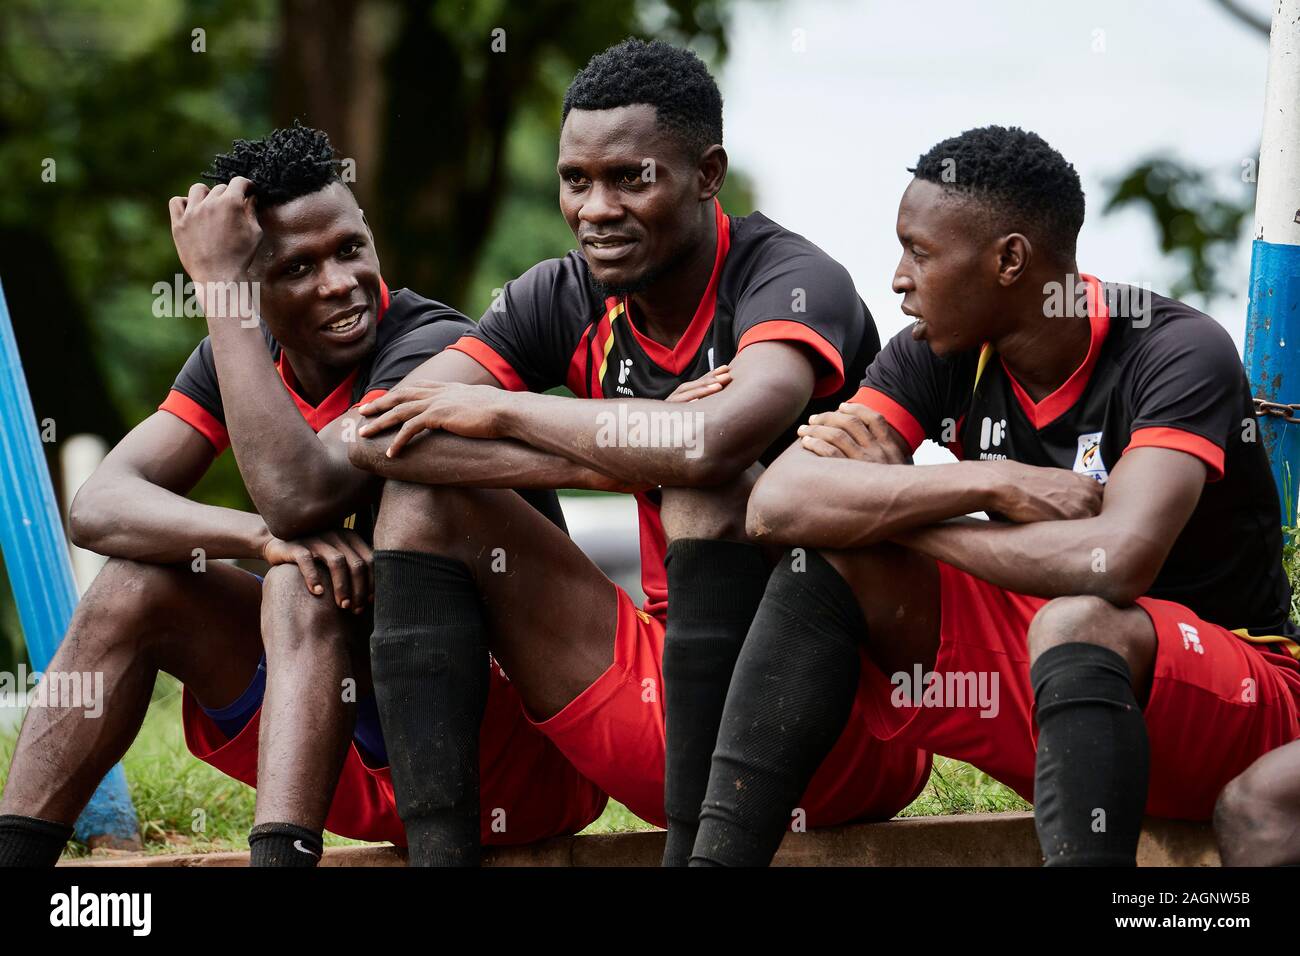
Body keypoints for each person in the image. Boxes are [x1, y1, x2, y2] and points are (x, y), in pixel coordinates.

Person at [345, 39, 930, 866]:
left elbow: (712, 446)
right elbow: (376, 434)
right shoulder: (559, 293)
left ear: (707, 172)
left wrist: (501, 411)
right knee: (418, 498)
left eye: (631, 178)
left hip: (828, 732)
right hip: (660, 696)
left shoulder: (792, 281)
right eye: (576, 180)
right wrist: (629, 449)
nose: (595, 208)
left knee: (709, 490)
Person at [688, 124, 1300, 866]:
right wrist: (987, 480)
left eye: (920, 251)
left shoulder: (1174, 350)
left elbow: (1116, 560)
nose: (898, 279)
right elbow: (776, 505)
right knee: (825, 561)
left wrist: (895, 512)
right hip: (1060, 690)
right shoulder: (935, 353)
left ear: (1010, 259)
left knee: (1081, 616)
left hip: (1233, 702)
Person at [0, 124, 603, 868]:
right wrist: (255, 536)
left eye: (350, 248)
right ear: (254, 288)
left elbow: (302, 494)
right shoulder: (240, 358)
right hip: (354, 753)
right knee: (134, 586)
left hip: (504, 765)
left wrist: (221, 292)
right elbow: (99, 507)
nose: (338, 282)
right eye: (296, 267)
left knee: (298, 577)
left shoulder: (431, 347)